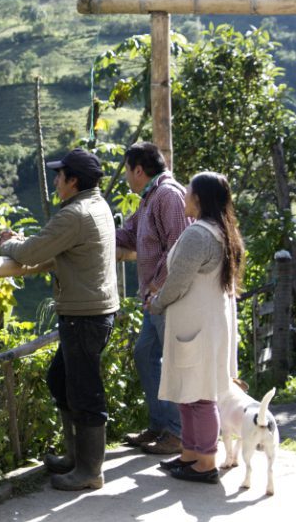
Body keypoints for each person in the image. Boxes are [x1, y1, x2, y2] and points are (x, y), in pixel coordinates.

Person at [0, 148, 119, 491]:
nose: (55, 180)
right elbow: (47, 247)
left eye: (60, 175)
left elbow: (29, 253)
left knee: (85, 391)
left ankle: (89, 471)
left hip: (84, 316)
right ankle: (77, 459)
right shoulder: (97, 205)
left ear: (73, 180)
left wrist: (8, 243)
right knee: (61, 380)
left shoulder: (76, 214)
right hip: (93, 312)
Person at [148, 171, 244, 484]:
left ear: (199, 199)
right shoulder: (220, 232)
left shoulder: (198, 235)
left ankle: (205, 461)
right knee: (190, 391)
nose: (184, 197)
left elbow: (177, 281)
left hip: (195, 327)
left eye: (188, 191)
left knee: (199, 395)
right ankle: (190, 455)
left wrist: (157, 302)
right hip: (206, 326)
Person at [116, 142, 192, 455]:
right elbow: (127, 235)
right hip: (153, 299)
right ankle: (161, 425)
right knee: (145, 354)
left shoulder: (167, 195)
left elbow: (179, 248)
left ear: (138, 169)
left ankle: (176, 432)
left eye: (126, 169)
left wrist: (157, 287)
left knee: (170, 361)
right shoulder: (149, 197)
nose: (125, 177)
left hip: (165, 297)